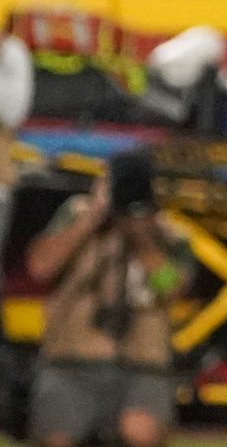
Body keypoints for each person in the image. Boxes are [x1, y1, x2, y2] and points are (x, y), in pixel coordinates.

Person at [26, 151, 191, 447]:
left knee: (140, 431)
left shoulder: (167, 234)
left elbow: (174, 289)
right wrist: (91, 219)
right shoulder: (77, 215)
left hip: (141, 369)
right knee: (57, 438)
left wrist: (144, 243)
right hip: (72, 364)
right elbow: (40, 267)